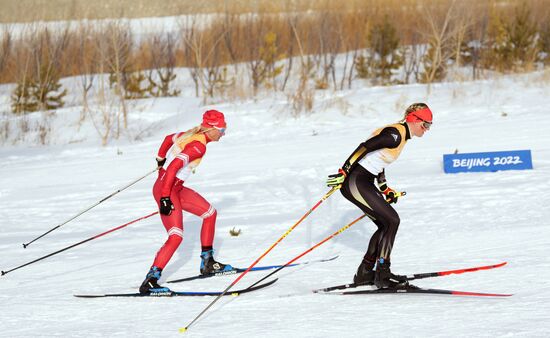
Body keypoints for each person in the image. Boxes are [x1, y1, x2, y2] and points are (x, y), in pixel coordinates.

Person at [326, 103, 433, 289]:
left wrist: (384, 188)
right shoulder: (395, 134)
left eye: (429, 125)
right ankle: (383, 274)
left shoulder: (401, 136)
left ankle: (365, 273)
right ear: (415, 120)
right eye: (426, 124)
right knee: (392, 220)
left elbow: (378, 161)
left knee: (386, 223)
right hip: (355, 181)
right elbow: (365, 147)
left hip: (364, 181)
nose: (427, 129)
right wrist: (344, 171)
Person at [139, 110, 233, 294]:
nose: (223, 134)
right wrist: (165, 197)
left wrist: (160, 160)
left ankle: (207, 262)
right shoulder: (199, 145)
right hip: (167, 188)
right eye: (222, 130)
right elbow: (174, 167)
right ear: (212, 129)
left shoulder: (190, 135)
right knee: (176, 236)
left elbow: (167, 139)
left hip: (175, 187)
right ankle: (150, 280)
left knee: (210, 213)